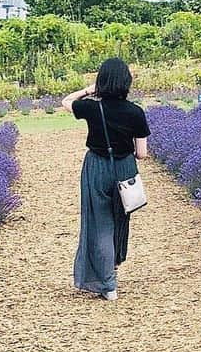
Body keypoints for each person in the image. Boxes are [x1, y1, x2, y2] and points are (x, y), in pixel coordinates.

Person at [61, 57, 149, 300]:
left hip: (97, 167)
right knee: (120, 220)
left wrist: (90, 90)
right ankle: (113, 267)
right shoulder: (135, 112)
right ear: (126, 82)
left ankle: (108, 285)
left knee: (100, 224)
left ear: (101, 82)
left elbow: (66, 101)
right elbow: (142, 154)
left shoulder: (92, 107)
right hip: (125, 169)